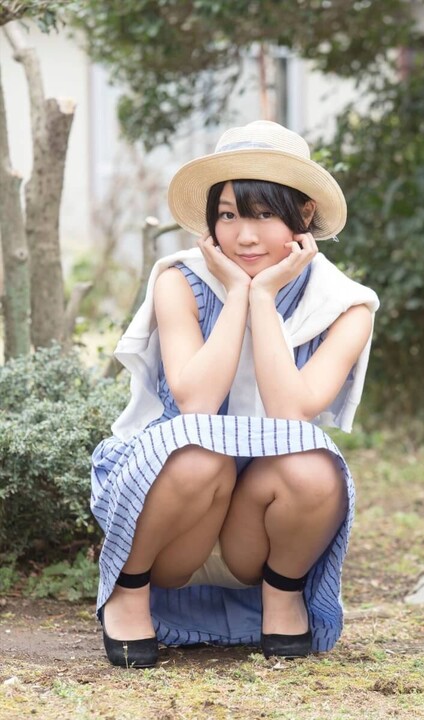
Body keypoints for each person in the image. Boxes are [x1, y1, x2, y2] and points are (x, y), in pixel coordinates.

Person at [91, 120, 380, 668]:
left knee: (315, 466)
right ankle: (128, 591)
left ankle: (282, 594)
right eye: (228, 215)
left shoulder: (344, 306)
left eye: (263, 214)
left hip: (262, 529)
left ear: (305, 215)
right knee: (202, 453)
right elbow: (196, 403)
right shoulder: (179, 281)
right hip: (177, 517)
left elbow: (291, 414)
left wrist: (262, 298)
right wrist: (234, 295)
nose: (244, 236)